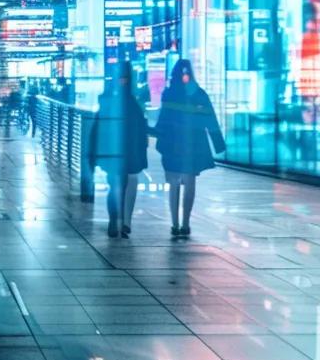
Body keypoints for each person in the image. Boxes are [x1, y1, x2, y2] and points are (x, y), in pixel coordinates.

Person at [154, 59, 225, 238]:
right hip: (193, 144)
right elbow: (210, 118)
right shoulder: (199, 93)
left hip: (172, 143)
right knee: (189, 181)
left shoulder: (169, 93)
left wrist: (158, 137)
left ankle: (175, 223)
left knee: (173, 183)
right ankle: (185, 223)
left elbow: (163, 119)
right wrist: (218, 143)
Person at [87, 61, 148, 238]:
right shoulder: (134, 104)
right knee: (123, 184)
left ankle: (118, 221)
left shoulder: (109, 102)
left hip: (117, 153)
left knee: (118, 185)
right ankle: (121, 221)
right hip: (123, 153)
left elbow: (98, 129)